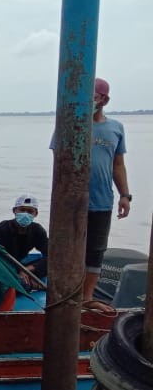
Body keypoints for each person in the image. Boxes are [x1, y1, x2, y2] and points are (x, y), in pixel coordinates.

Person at [82, 77, 130, 312]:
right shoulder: (71, 124)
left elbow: (118, 164)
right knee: (70, 248)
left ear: (103, 99)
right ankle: (67, 293)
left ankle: (87, 298)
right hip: (72, 203)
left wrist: (125, 195)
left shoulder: (116, 128)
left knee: (96, 250)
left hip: (102, 201)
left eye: (91, 95)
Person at [0, 194, 48, 289]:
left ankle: (27, 279)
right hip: (3, 267)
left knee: (55, 262)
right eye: (22, 210)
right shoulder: (1, 229)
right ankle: (31, 284)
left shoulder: (37, 230)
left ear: (35, 214)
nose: (25, 213)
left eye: (30, 211)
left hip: (21, 267)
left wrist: (26, 270)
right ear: (15, 211)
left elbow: (50, 255)